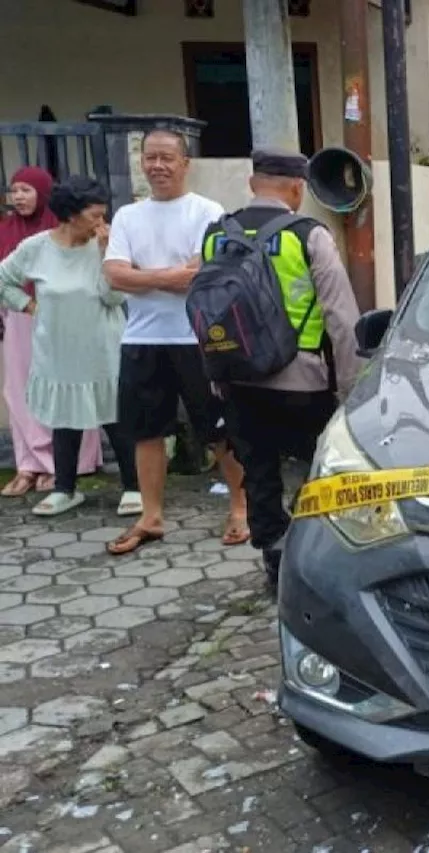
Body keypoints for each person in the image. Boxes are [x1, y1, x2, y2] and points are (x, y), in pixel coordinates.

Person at [203, 148, 362, 586]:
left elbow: (207, 310)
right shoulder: (308, 234)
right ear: (297, 188)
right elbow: (343, 319)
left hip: (237, 378)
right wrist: (351, 391)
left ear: (253, 184)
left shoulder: (216, 234)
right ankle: (325, 560)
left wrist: (217, 375)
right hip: (302, 381)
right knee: (323, 469)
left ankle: (274, 559)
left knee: (259, 471)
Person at [102, 128, 249, 555]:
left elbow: (207, 274)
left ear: (185, 164)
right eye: (150, 157)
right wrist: (171, 277)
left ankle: (241, 508)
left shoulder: (207, 212)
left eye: (167, 157)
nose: (158, 165)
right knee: (145, 431)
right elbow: (115, 274)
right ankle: (151, 517)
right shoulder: (128, 217)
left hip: (198, 339)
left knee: (219, 429)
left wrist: (143, 277)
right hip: (142, 339)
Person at [0, 176, 137, 515]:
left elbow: (114, 297)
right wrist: (29, 306)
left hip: (104, 347)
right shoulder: (37, 247)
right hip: (58, 349)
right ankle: (65, 488)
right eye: (94, 215)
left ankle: (133, 486)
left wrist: (107, 256)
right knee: (65, 419)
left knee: (116, 418)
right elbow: (4, 279)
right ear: (71, 215)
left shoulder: (108, 245)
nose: (100, 223)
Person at [0, 167, 102, 496]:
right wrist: (27, 306)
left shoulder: (68, 234)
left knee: (72, 388)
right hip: (22, 318)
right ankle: (29, 463)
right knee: (21, 389)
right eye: (14, 190)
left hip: (69, 322)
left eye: (27, 190)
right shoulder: (9, 231)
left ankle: (64, 467)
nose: (18, 197)